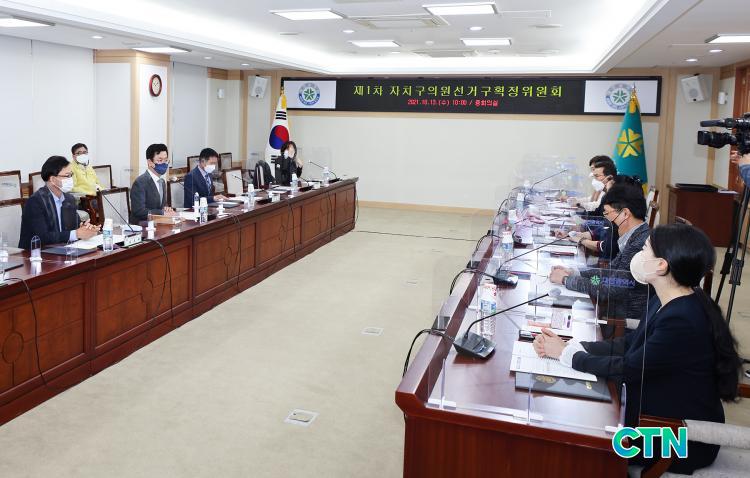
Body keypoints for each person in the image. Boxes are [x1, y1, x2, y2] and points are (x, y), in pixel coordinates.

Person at [534, 224, 741, 475]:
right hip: (652, 401)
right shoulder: (657, 285)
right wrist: (574, 343)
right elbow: (610, 275)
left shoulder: (680, 314)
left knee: (577, 441)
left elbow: (615, 282)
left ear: (624, 211)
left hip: (671, 433)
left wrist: (571, 281)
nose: (606, 215)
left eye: (609, 211)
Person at [550, 183, 650, 321]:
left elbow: (611, 288)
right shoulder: (635, 235)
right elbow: (608, 273)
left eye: (607, 213)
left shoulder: (640, 244)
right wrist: (575, 272)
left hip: (622, 319)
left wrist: (566, 280)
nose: (605, 218)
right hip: (612, 308)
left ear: (625, 213)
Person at [19, 156, 100, 248]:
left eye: (71, 175)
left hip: (64, 250)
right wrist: (76, 234)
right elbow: (42, 237)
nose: (71, 179)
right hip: (36, 253)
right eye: (67, 176)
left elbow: (74, 228)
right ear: (53, 179)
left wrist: (85, 228)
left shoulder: (69, 199)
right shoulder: (35, 202)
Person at [129, 143, 177, 223]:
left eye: (165, 160)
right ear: (150, 162)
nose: (164, 164)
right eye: (160, 160)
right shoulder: (140, 182)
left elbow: (162, 206)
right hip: (142, 225)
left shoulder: (162, 182)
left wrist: (166, 209)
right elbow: (139, 211)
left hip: (158, 223)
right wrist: (162, 213)